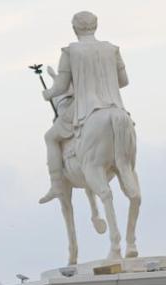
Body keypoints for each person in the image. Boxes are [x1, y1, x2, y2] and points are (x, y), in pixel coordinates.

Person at [39, 12, 128, 204]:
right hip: (114, 105)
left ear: (74, 28)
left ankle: (56, 184)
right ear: (96, 26)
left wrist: (49, 94)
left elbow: (61, 87)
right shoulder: (112, 49)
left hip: (84, 106)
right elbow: (124, 81)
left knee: (50, 137)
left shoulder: (70, 52)